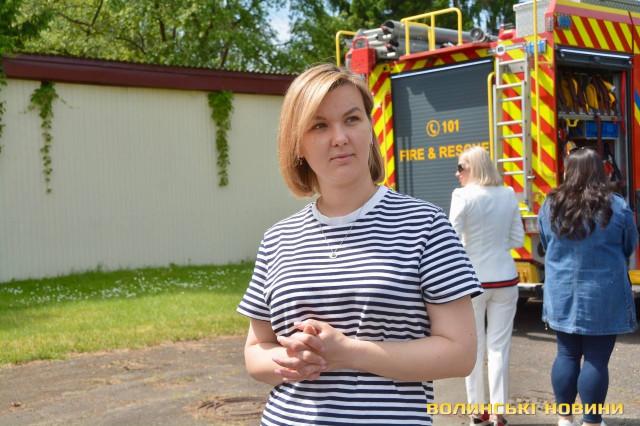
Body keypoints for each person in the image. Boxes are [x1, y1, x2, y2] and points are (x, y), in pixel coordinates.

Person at [236, 63, 483, 425]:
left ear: (370, 129)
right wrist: (290, 360)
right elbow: (256, 351)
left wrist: (349, 352)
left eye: (351, 119)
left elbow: (460, 354)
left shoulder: (425, 224)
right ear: (298, 145)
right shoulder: (278, 238)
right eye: (319, 125)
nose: (339, 137)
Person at [537, 147, 638, 426]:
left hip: (561, 293)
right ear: (599, 172)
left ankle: (564, 418)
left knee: (566, 354)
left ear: (567, 172)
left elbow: (545, 243)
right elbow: (629, 245)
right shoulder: (617, 206)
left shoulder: (550, 205)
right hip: (604, 292)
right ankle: (592, 421)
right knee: (596, 359)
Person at [449, 146, 525, 426]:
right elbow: (517, 239)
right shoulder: (508, 194)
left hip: (473, 282)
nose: (457, 173)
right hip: (506, 279)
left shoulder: (462, 196)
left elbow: (450, 237)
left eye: (461, 167)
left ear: (475, 167)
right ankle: (498, 413)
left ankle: (477, 412)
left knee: (474, 346)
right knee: (499, 348)